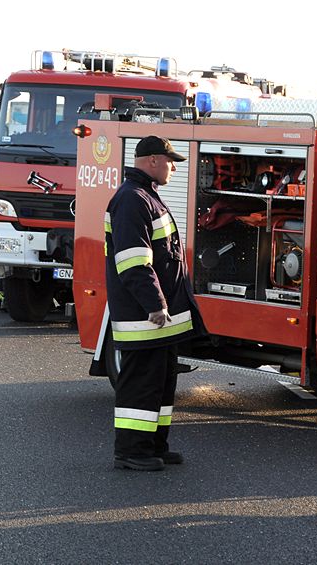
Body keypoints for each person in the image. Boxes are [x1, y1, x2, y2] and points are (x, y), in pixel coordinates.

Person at [105, 135, 203, 471]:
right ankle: (131, 451)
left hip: (158, 320)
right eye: (170, 161)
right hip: (143, 319)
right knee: (141, 385)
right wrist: (155, 303)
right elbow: (134, 263)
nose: (174, 167)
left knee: (159, 384)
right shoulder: (132, 199)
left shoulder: (145, 196)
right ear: (152, 160)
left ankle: (154, 446)